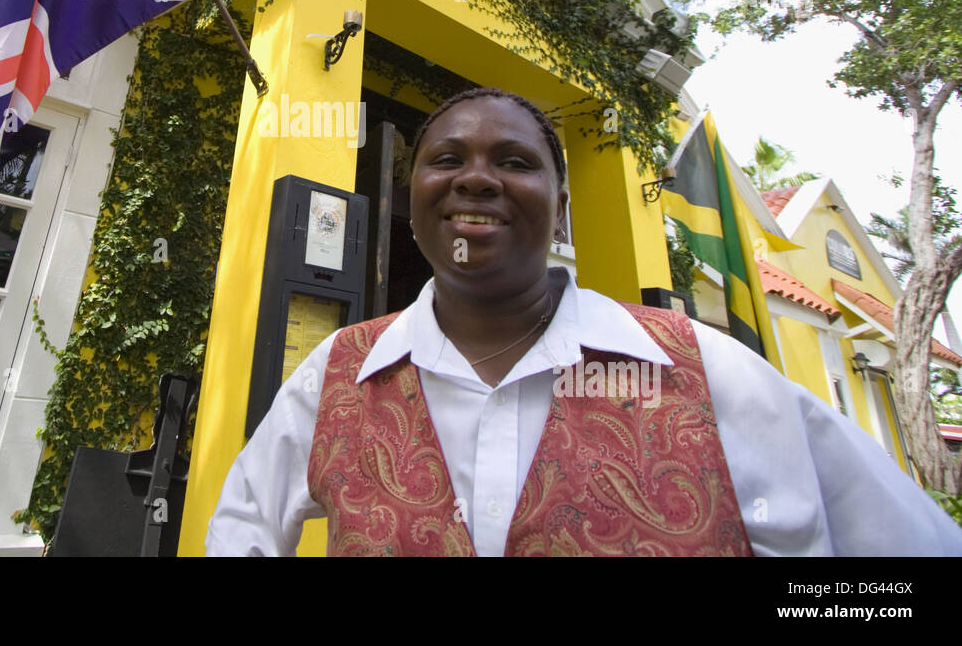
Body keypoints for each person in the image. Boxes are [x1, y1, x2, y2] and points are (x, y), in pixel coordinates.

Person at [207, 88, 962, 556]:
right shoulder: (337, 375)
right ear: (415, 202)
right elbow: (240, 529)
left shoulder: (701, 370)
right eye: (446, 159)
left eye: (515, 160)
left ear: (560, 207)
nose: (477, 176)